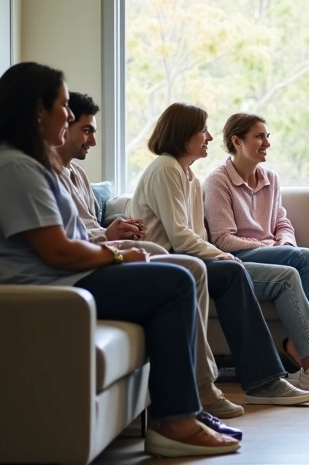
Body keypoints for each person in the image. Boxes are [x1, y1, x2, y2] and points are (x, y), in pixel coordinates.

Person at [0, 62, 238, 457]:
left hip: (60, 282)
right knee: (175, 283)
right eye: (64, 105)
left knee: (171, 275)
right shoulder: (14, 167)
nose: (69, 115)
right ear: (38, 109)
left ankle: (181, 410)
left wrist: (118, 255)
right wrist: (116, 254)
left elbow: (63, 242)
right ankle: (175, 421)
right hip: (47, 291)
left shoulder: (22, 162)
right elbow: (59, 250)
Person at [54, 92, 243, 435]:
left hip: (93, 259)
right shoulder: (165, 169)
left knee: (199, 269)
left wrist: (111, 234)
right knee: (190, 273)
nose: (93, 140)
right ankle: (193, 401)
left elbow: (87, 230)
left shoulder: (76, 174)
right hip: (75, 276)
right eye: (85, 130)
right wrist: (119, 249)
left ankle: (203, 390)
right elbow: (64, 246)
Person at [127, 103, 309, 406]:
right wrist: (221, 254)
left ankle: (271, 377)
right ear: (183, 133)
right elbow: (180, 236)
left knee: (273, 271)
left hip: (184, 258)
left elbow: (194, 235)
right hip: (163, 261)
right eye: (203, 131)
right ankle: (266, 380)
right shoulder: (165, 168)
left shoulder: (186, 175)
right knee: (233, 270)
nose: (210, 138)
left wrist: (216, 255)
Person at [203, 113, 309, 396]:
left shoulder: (271, 178)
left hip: (272, 254)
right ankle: (306, 358)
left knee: (305, 257)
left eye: (267, 136)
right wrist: (276, 250)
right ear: (237, 141)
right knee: (305, 260)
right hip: (239, 260)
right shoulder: (217, 181)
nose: (267, 143)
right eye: (259, 136)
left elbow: (281, 222)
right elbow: (223, 240)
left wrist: (285, 246)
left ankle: (297, 346)